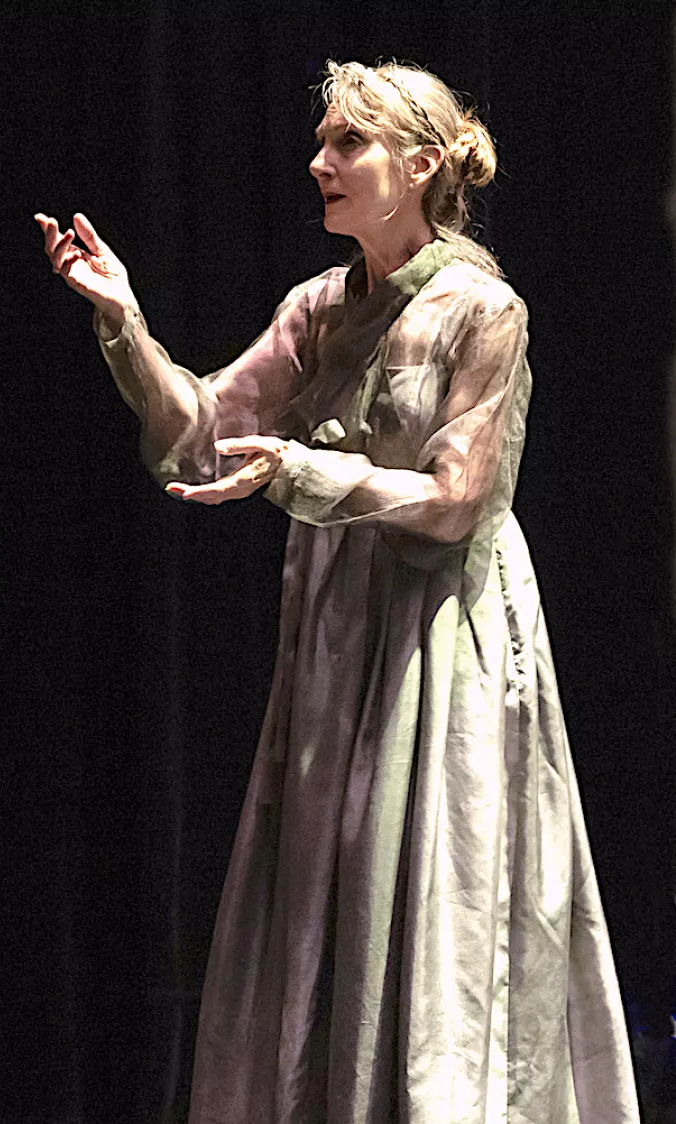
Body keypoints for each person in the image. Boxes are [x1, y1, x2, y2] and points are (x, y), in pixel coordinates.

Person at [38, 60, 637, 1122]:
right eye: (322, 141)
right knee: (329, 900)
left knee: (433, 899)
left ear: (418, 165)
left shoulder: (482, 310)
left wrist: (308, 474)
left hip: (439, 640)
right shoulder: (317, 306)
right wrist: (124, 320)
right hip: (335, 642)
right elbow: (198, 428)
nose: (319, 163)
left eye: (345, 144)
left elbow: (459, 499)